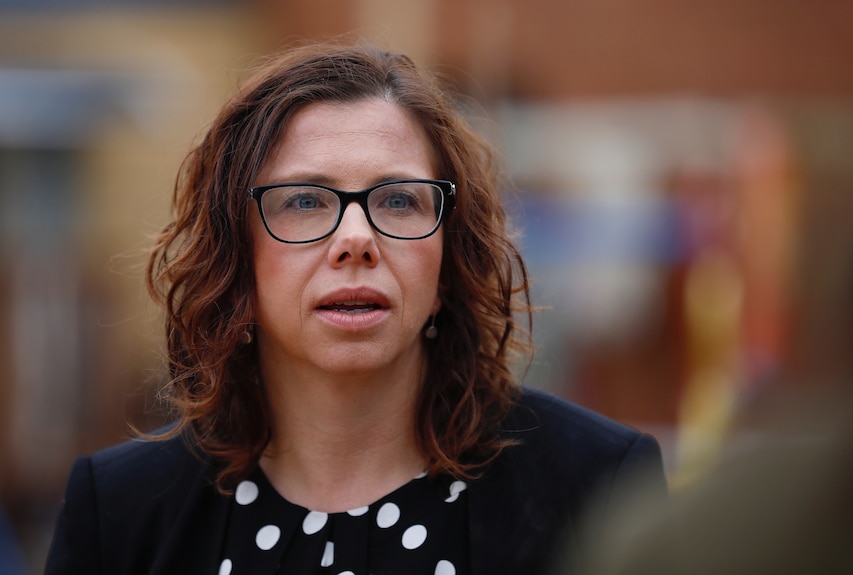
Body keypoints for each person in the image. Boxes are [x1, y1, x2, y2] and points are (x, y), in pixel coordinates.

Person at [44, 40, 665, 575]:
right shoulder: (121, 509)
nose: (356, 240)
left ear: (449, 257)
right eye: (305, 201)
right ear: (237, 255)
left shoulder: (598, 485)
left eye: (398, 201)